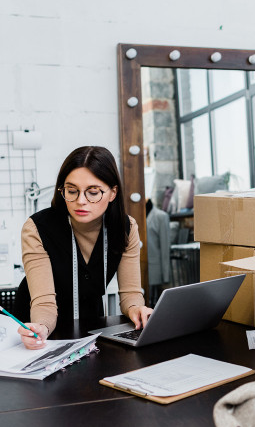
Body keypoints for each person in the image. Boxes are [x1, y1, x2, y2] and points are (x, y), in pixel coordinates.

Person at [15, 146, 153, 349]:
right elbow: (44, 304)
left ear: (112, 193)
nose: (80, 201)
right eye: (71, 191)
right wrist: (40, 327)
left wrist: (137, 310)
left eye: (93, 192)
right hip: (37, 326)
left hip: (90, 324)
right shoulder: (37, 228)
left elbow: (131, 293)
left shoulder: (126, 228)